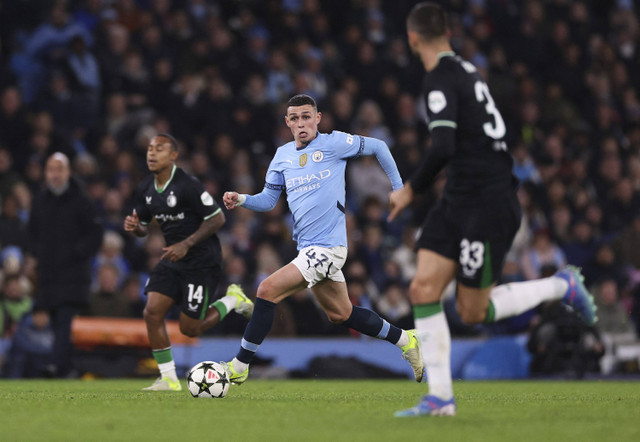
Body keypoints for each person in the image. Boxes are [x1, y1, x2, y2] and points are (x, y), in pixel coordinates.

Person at [389, 2, 598, 417]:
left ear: (413, 38)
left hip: (486, 203)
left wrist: (411, 190)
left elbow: (443, 146)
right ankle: (441, 399)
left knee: (472, 311)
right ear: (446, 32)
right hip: (461, 198)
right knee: (422, 289)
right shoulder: (467, 70)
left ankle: (562, 286)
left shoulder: (439, 80)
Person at [220, 94, 424, 384]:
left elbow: (378, 146)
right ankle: (406, 340)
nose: (301, 123)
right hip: (307, 249)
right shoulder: (282, 156)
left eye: (307, 116)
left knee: (266, 290)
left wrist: (398, 188)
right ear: (287, 122)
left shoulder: (333, 143)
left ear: (318, 118)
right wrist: (241, 199)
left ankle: (239, 367)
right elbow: (268, 201)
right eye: (295, 118)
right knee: (341, 313)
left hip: (328, 248)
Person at [124, 134, 254, 391]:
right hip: (172, 257)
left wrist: (187, 243)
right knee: (152, 312)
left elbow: (217, 219)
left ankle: (233, 299)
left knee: (190, 329)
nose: (152, 153)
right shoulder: (146, 188)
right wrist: (135, 227)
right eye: (150, 148)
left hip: (201, 261)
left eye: (159, 149)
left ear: (173, 155)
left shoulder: (187, 185)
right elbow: (143, 227)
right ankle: (169, 379)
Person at [28, 152, 104, 377]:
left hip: (72, 275)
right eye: (51, 169)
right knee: (55, 322)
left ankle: (56, 365)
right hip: (48, 274)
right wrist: (35, 255)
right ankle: (66, 367)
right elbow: (31, 233)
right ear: (45, 173)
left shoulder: (82, 201)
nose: (55, 174)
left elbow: (95, 234)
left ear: (68, 172)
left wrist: (77, 253)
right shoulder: (40, 200)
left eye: (59, 169)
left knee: (64, 319)